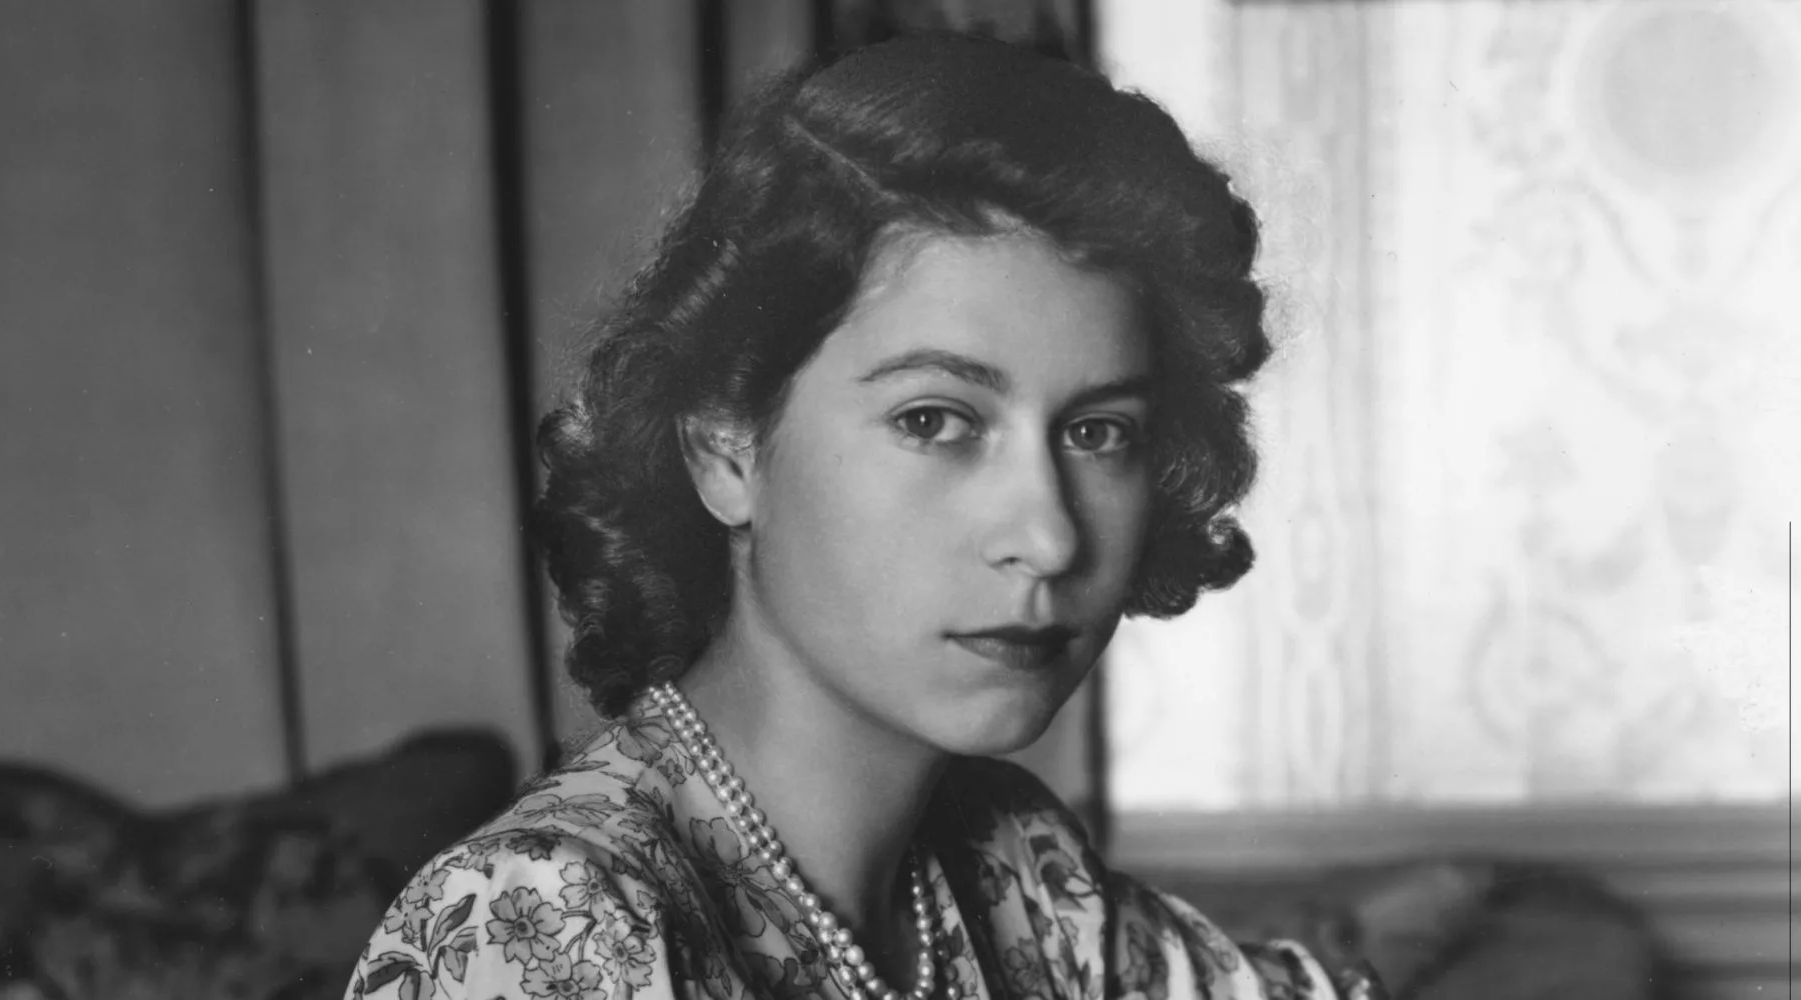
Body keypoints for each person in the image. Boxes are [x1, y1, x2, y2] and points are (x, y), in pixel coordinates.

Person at [344, 32, 1384, 1000]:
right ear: (725, 447)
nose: (1048, 535)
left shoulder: (1011, 860)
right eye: (934, 419)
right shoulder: (543, 921)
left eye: (1097, 431)